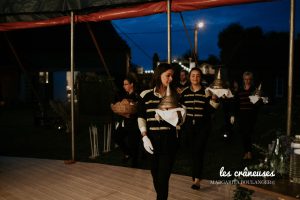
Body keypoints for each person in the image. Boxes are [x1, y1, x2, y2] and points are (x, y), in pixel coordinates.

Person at [138, 63, 180, 200]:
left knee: (163, 178)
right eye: (168, 75)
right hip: (151, 141)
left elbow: (181, 120)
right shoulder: (146, 95)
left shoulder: (176, 96)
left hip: (169, 141)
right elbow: (141, 117)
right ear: (158, 75)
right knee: (155, 176)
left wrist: (172, 114)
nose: (171, 79)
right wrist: (144, 136)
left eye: (172, 76)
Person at [179, 67, 219, 190]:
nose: (195, 78)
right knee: (193, 152)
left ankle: (197, 179)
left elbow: (211, 111)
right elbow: (180, 109)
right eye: (193, 75)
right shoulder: (185, 92)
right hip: (189, 126)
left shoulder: (206, 92)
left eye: (197, 76)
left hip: (203, 126)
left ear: (200, 78)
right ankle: (196, 175)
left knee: (199, 151)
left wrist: (214, 100)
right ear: (189, 77)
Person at [112, 75, 141, 167]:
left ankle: (135, 164)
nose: (124, 86)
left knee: (134, 143)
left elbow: (137, 109)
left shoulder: (137, 95)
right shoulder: (125, 95)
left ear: (131, 84)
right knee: (116, 136)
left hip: (134, 123)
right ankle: (128, 153)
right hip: (126, 122)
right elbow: (121, 106)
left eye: (126, 84)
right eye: (123, 84)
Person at [236, 71, 260, 160]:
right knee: (243, 134)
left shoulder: (254, 90)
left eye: (249, 79)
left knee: (248, 134)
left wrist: (258, 100)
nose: (247, 81)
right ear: (243, 80)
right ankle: (246, 152)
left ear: (251, 80)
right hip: (242, 115)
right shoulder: (240, 90)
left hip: (251, 116)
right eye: (246, 79)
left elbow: (257, 104)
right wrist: (235, 115)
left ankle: (249, 152)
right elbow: (237, 103)